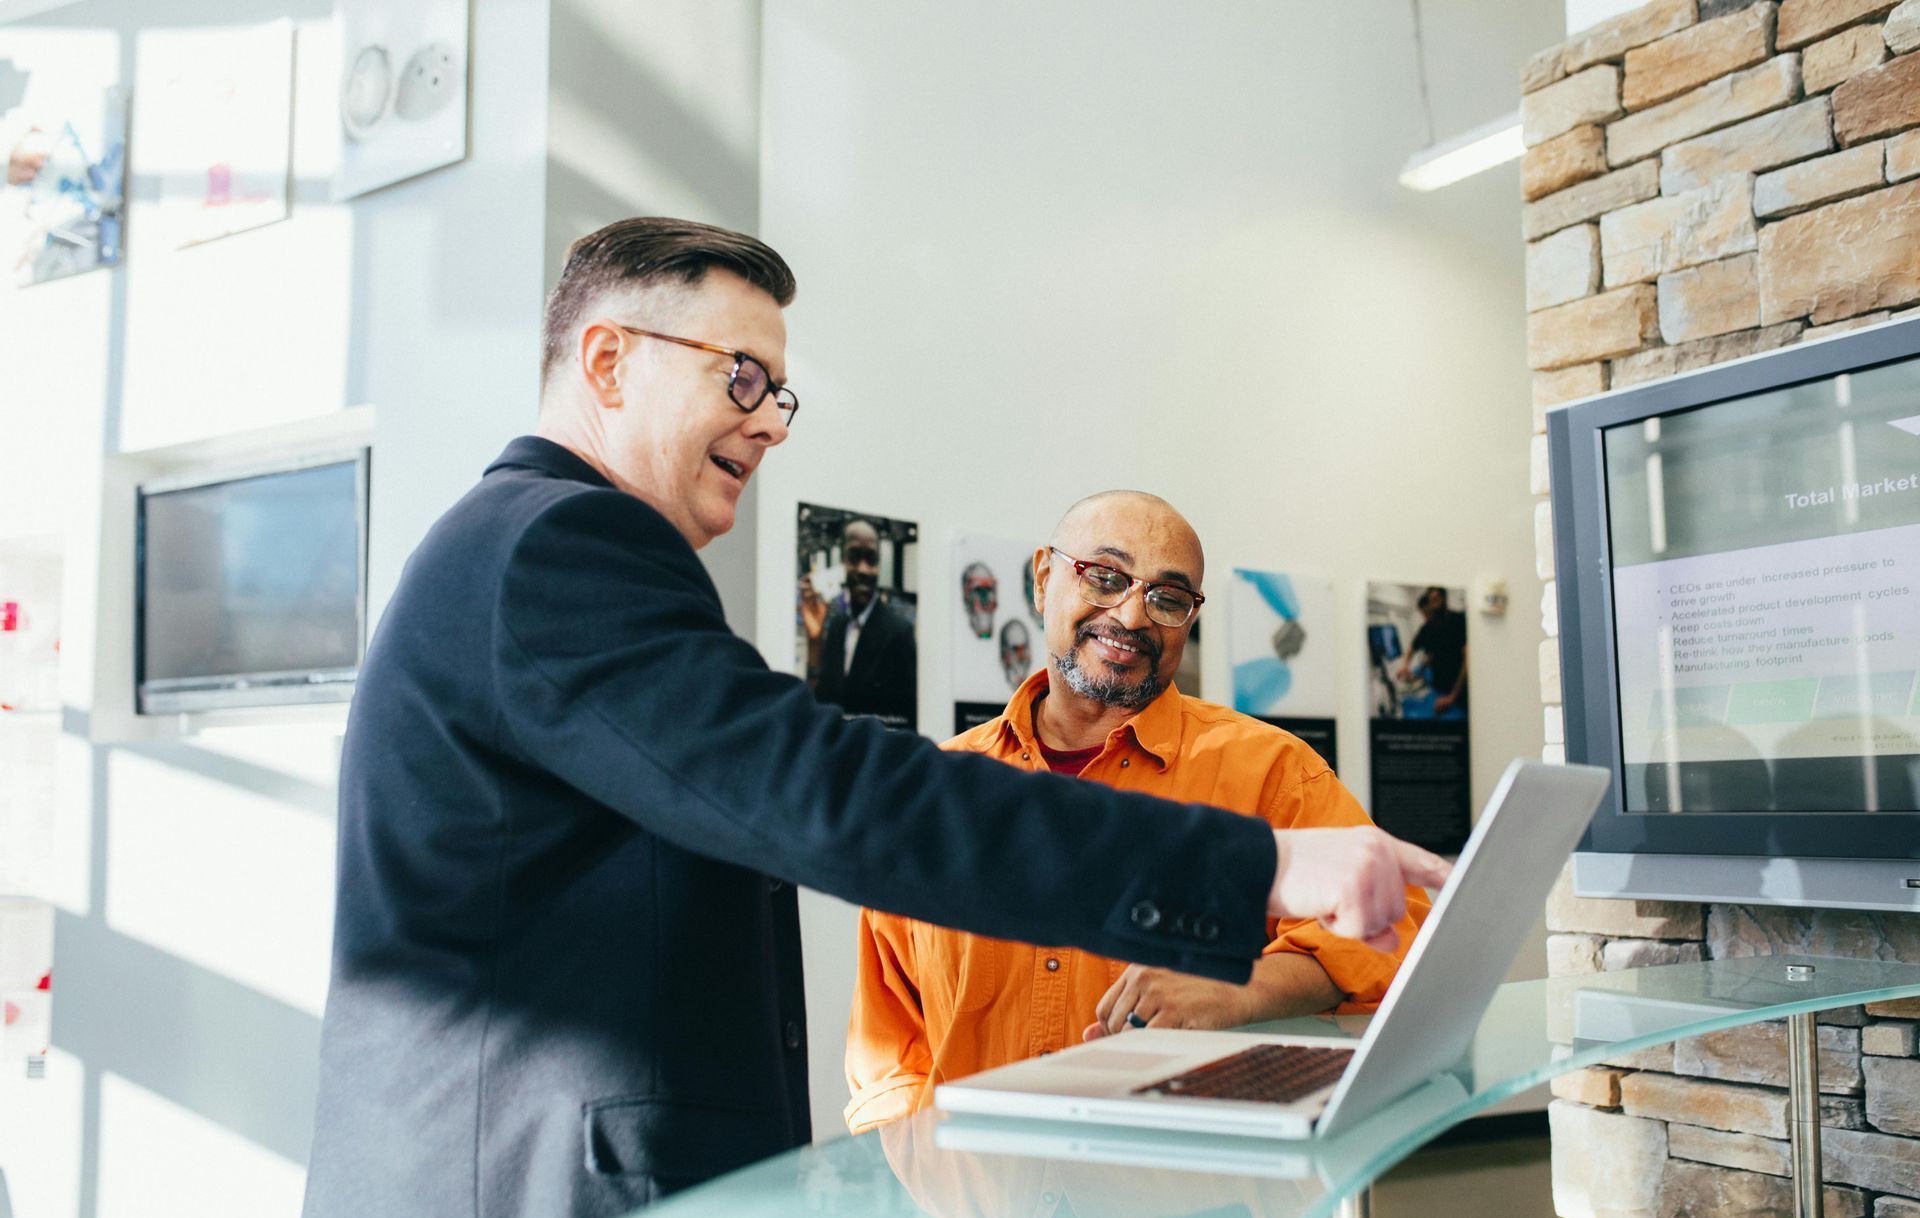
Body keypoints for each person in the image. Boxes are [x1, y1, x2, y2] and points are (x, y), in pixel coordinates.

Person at [302, 217, 1449, 1218]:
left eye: (777, 390)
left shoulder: (525, 551)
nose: (771, 422)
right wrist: (1256, 869)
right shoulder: (559, 546)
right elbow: (828, 794)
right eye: (741, 376)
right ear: (607, 361)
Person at [844, 493, 1431, 1132]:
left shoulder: (1271, 771)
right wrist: (923, 1179)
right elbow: (890, 1047)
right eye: (1105, 576)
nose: (1131, 614)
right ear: (1044, 579)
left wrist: (1237, 988)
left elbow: (1397, 930)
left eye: (1168, 598)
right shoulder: (940, 792)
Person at [800, 518, 917, 727]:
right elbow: (820, 704)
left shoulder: (899, 633)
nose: (863, 569)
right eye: (854, 557)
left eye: (871, 560)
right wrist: (814, 642)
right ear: (843, 561)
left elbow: (906, 723)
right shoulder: (836, 626)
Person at [1399, 585, 1468, 717]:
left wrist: (1453, 696)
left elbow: (1467, 660)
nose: (1425, 615)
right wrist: (1405, 666)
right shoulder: (1428, 628)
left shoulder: (1458, 620)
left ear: (1444, 599)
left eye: (1437, 600)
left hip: (1459, 691)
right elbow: (1414, 647)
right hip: (1438, 688)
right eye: (1432, 601)